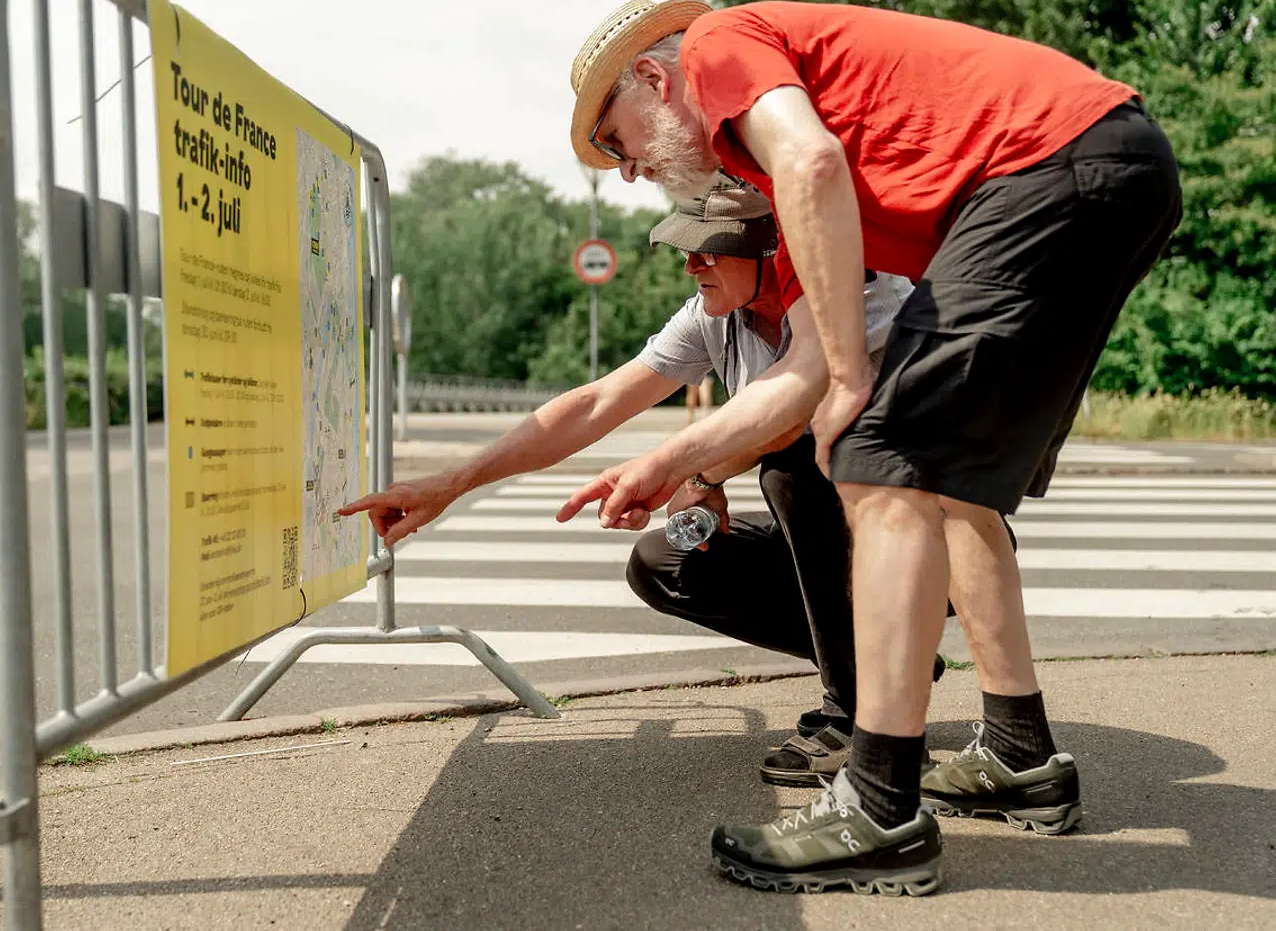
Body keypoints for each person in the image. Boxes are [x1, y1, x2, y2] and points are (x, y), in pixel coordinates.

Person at [561, 0, 1182, 895]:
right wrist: (669, 460)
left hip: (1048, 167)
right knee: (954, 486)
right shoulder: (768, 159)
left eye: (618, 142)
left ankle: (878, 808)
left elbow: (813, 167)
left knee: (877, 457)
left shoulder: (720, 49)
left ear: (655, 79)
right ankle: (1018, 755)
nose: (628, 172)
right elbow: (812, 324)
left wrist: (853, 381)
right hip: (1095, 164)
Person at [339, 180, 918, 783]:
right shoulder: (714, 316)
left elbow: (791, 416)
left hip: (928, 536)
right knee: (669, 561)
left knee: (793, 472)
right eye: (687, 249)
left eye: (710, 250)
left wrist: (686, 467)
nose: (691, 263)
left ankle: (859, 717)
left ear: (774, 250)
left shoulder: (862, 291)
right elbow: (596, 402)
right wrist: (451, 484)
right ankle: (885, 663)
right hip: (856, 546)